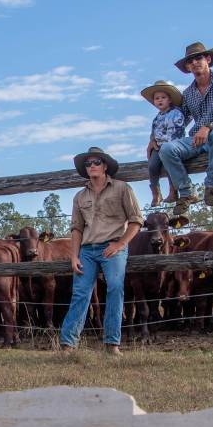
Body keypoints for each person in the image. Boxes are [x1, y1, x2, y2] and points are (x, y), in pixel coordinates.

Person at [59, 147, 143, 356]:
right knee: (80, 293)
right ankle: (68, 345)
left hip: (112, 247)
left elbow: (136, 221)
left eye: (96, 162)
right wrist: (74, 255)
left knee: (115, 287)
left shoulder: (122, 189)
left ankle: (112, 344)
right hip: (87, 249)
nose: (92, 166)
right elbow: (77, 228)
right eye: (88, 164)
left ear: (105, 166)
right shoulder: (80, 196)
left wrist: (120, 244)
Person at [155, 42, 213, 215]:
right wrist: (155, 138)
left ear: (208, 59)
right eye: (190, 60)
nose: (194, 62)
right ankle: (187, 193)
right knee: (166, 149)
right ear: (187, 67)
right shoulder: (187, 93)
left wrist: (208, 127)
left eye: (198, 57)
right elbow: (180, 120)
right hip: (196, 140)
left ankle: (211, 185)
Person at [141, 80, 186, 207]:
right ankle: (156, 192)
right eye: (157, 98)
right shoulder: (157, 118)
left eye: (163, 97)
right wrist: (152, 141)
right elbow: (153, 133)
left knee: (169, 165)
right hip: (158, 147)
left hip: (173, 145)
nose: (160, 100)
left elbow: (174, 133)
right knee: (152, 165)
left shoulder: (176, 113)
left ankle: (173, 190)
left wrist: (158, 140)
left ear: (170, 100)